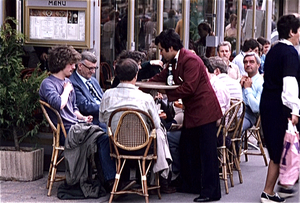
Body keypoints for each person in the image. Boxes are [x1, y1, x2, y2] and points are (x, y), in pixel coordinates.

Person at [150, 28, 222, 202]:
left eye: (161, 49)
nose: (160, 52)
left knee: (207, 153)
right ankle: (192, 184)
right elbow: (162, 76)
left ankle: (211, 191)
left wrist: (167, 94)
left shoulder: (190, 60)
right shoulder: (176, 60)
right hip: (194, 111)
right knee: (188, 147)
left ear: (170, 47)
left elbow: (189, 87)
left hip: (204, 111)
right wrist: (140, 84)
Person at [39, 45, 116, 192]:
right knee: (104, 137)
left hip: (76, 126)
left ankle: (108, 179)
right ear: (62, 63)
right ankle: (110, 180)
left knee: (105, 134)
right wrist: (67, 90)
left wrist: (83, 117)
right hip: (66, 132)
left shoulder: (67, 82)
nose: (74, 67)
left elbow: (73, 109)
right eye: (71, 64)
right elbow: (58, 104)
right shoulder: (48, 84)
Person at [99, 58, 175, 194]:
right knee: (159, 132)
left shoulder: (107, 95)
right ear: (136, 75)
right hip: (144, 148)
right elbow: (156, 124)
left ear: (117, 75)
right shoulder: (145, 98)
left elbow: (103, 119)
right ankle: (161, 177)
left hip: (116, 146)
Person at [260, 14, 300, 203]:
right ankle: (271, 190)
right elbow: (290, 83)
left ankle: (276, 188)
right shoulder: (290, 52)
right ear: (292, 32)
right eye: (299, 31)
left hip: (268, 103)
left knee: (278, 149)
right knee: (280, 149)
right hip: (280, 106)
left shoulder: (273, 51)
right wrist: (294, 110)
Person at [69, 51, 106, 130]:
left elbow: (102, 97)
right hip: (92, 122)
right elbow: (84, 106)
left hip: (104, 118)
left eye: (95, 68)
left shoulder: (93, 80)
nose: (93, 72)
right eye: (90, 68)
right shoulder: (72, 82)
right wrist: (106, 107)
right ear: (80, 66)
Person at [240, 52, 264, 132]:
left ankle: (236, 144)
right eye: (245, 62)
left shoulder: (260, 82)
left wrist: (247, 89)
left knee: (234, 129)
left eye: (251, 62)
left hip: (248, 116)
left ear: (258, 65)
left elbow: (256, 108)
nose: (248, 64)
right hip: (235, 113)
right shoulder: (242, 79)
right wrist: (238, 86)